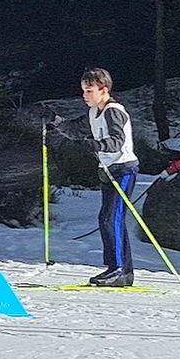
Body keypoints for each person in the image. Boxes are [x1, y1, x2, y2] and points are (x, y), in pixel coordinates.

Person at [53, 67, 139, 287]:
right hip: (108, 171)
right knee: (110, 219)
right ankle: (122, 271)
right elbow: (75, 130)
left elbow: (117, 141)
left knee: (111, 218)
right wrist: (55, 120)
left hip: (123, 169)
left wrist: (97, 145)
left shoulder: (113, 111)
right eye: (84, 90)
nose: (85, 95)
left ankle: (117, 269)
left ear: (104, 90)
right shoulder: (93, 112)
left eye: (89, 90)